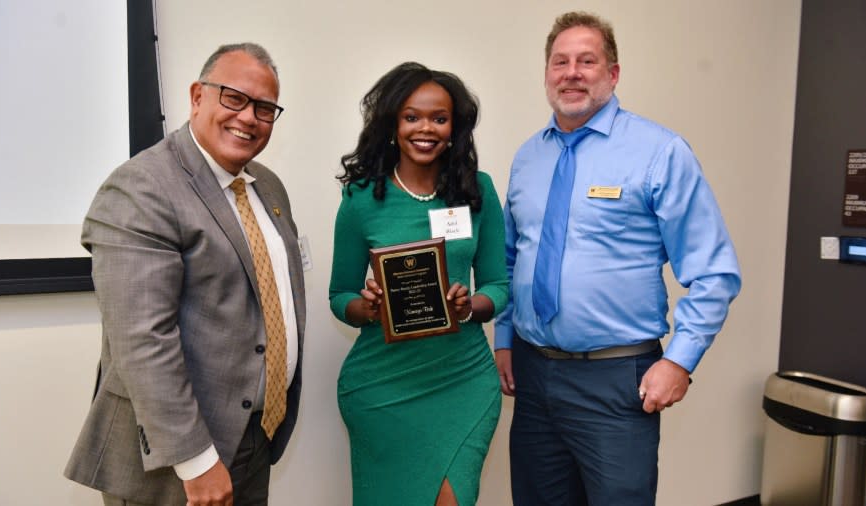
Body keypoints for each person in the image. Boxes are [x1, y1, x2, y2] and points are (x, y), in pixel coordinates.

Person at [494, 12, 742, 506]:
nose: (572, 72)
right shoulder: (528, 158)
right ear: (546, 73)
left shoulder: (659, 152)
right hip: (534, 377)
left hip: (615, 381)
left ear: (613, 74)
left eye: (588, 61)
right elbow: (509, 257)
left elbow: (714, 272)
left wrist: (679, 360)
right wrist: (504, 337)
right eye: (560, 62)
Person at [64, 43, 305, 506]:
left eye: (264, 108)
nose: (249, 117)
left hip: (253, 438)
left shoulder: (267, 186)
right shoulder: (142, 187)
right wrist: (196, 461)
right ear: (197, 96)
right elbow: (142, 340)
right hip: (177, 459)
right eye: (234, 98)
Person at [329, 62, 509, 506]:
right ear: (393, 124)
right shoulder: (361, 198)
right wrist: (366, 308)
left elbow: (500, 285)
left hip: (463, 380)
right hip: (382, 388)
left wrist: (471, 306)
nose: (425, 128)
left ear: (454, 128)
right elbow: (340, 295)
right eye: (412, 116)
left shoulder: (477, 190)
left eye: (439, 118)